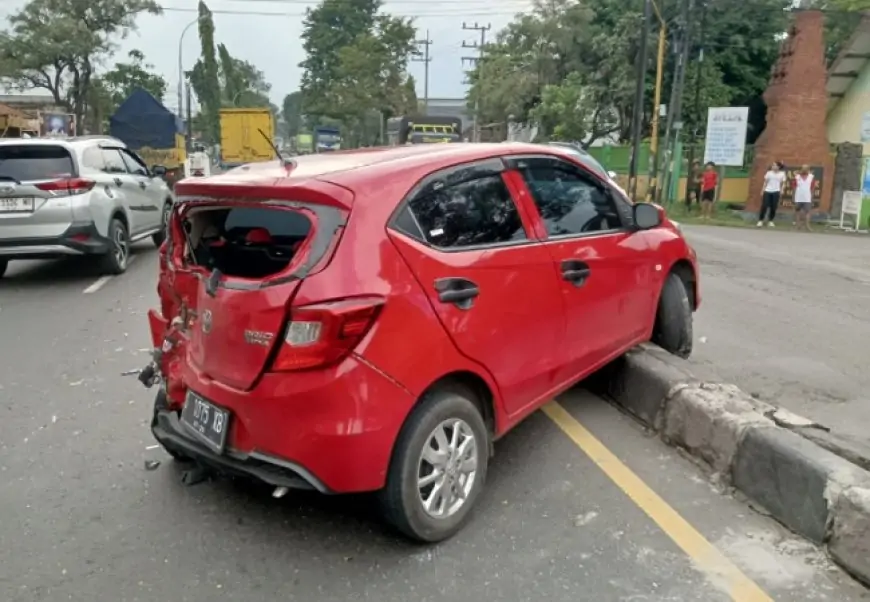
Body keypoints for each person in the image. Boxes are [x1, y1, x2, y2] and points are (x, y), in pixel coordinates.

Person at [758, 161, 785, 227]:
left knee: (773, 207)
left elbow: (783, 183)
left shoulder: (782, 174)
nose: (773, 166)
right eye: (772, 165)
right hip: (767, 191)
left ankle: (770, 221)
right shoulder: (769, 173)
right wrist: (762, 190)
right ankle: (760, 220)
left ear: (778, 167)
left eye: (775, 165)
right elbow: (765, 182)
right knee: (764, 206)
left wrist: (782, 190)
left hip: (776, 191)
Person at [793, 164, 814, 231]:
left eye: (806, 168)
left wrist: (811, 197)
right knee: (797, 211)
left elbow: (812, 188)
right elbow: (794, 187)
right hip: (798, 197)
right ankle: (798, 225)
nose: (804, 170)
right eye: (803, 168)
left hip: (807, 197)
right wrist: (793, 197)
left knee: (807, 212)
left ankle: (807, 226)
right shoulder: (797, 177)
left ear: (808, 170)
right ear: (801, 169)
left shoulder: (811, 177)